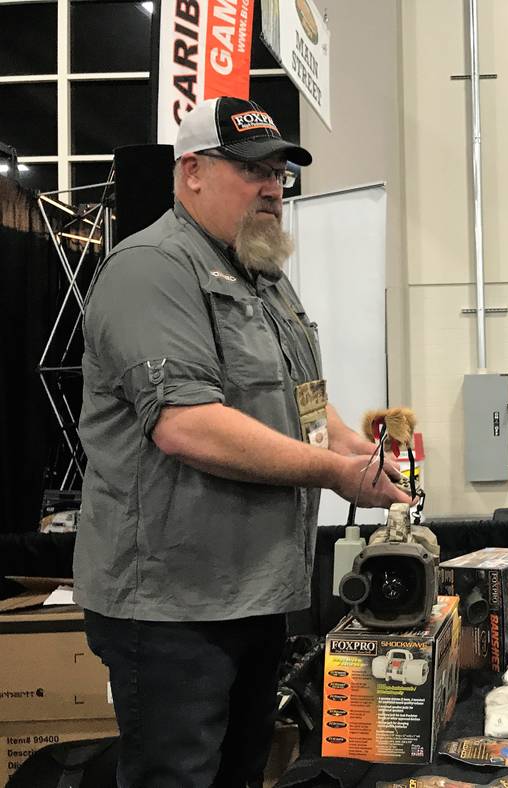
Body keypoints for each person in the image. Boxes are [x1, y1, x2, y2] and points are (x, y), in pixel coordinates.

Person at [74, 96, 409, 787]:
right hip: (172, 610)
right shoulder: (152, 270)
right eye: (252, 168)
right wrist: (334, 475)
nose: (271, 188)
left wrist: (360, 454)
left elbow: (308, 410)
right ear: (191, 172)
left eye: (279, 172)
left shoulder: (269, 282)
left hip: (254, 596)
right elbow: (186, 424)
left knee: (240, 774)